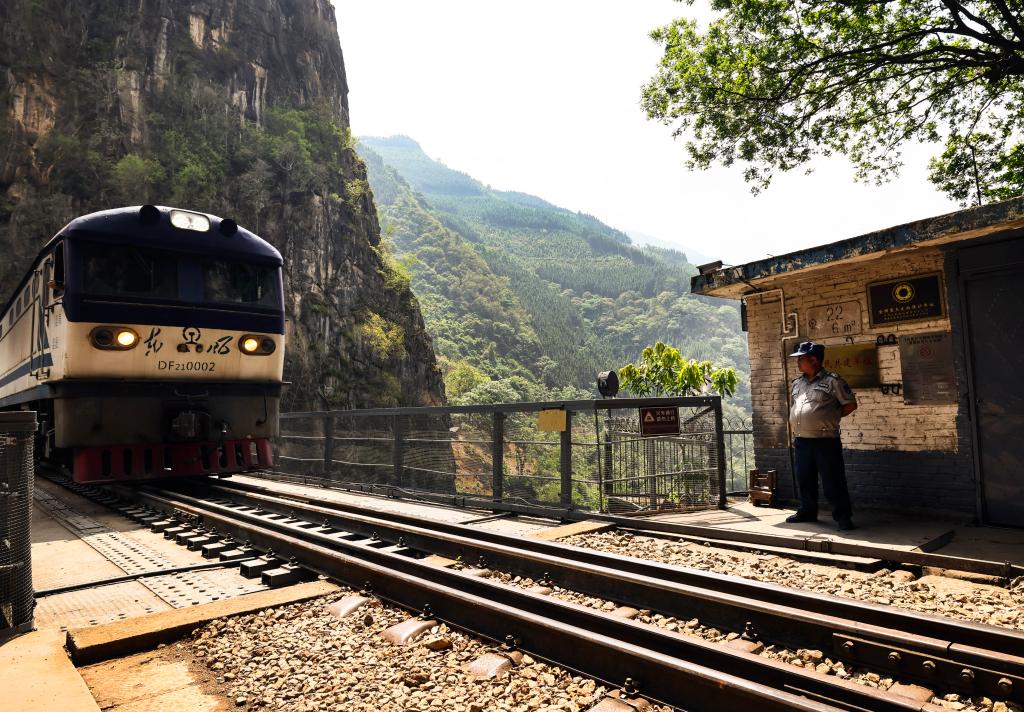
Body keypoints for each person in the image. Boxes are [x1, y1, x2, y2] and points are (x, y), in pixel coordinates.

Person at [785, 341, 858, 531]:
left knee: (833, 481)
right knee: (805, 479)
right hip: (801, 440)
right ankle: (807, 511)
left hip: (825, 441)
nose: (798, 363)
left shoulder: (833, 381)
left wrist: (830, 417)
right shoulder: (797, 383)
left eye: (801, 358)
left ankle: (843, 516)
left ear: (814, 359)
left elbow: (850, 405)